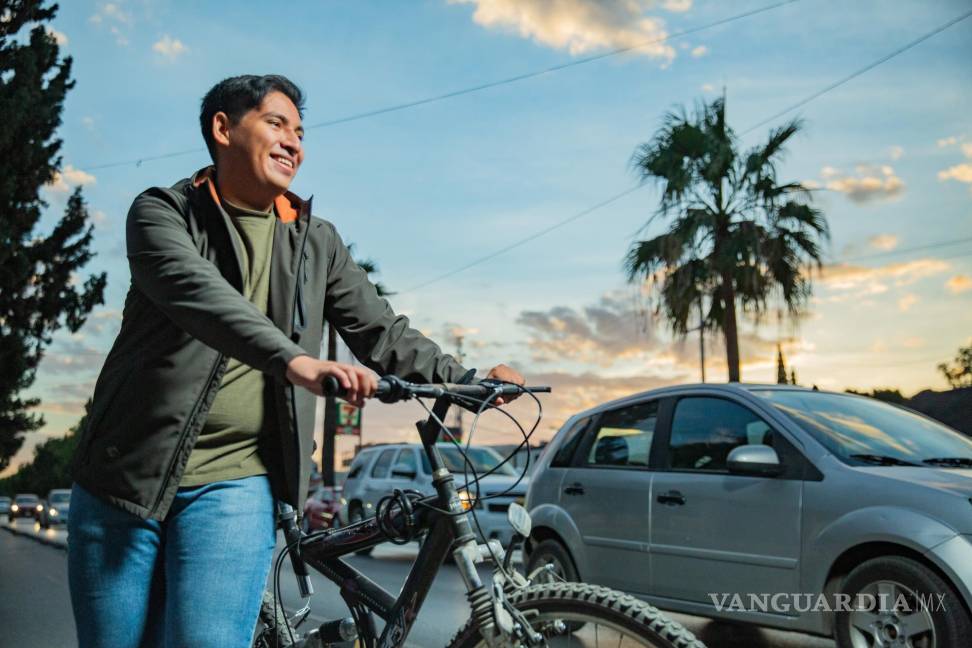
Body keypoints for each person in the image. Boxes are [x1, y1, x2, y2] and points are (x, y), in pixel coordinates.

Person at [67, 74, 523, 648]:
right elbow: (194, 292)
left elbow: (382, 332)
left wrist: (467, 381)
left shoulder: (316, 242)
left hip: (235, 484)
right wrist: (292, 360)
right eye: (276, 123)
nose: (294, 142)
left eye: (301, 132)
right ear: (223, 129)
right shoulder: (164, 211)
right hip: (123, 476)